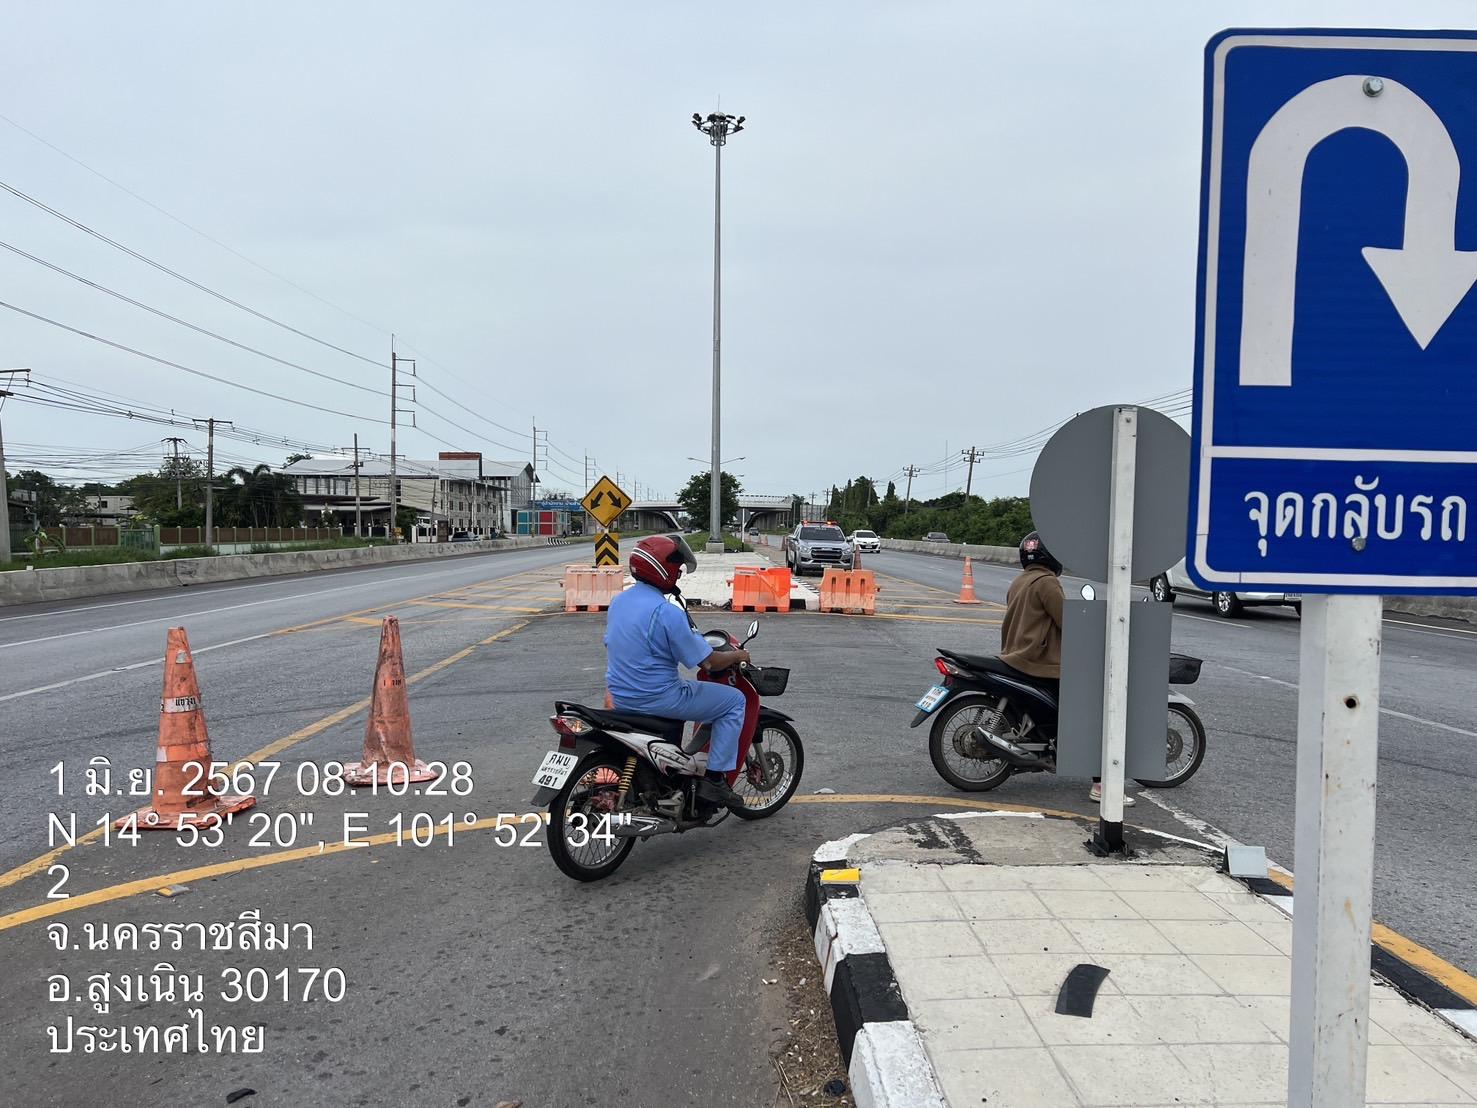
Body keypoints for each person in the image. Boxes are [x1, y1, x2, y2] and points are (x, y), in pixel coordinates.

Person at [604, 534, 750, 809]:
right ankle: (715, 781)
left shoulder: (619, 602)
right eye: (677, 568)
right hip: (658, 698)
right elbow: (708, 662)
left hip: (621, 697)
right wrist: (738, 655)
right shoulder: (666, 612)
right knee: (734, 701)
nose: (678, 575)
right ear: (663, 568)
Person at [998, 530, 1132, 806]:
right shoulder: (1047, 583)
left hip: (1015, 657)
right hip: (1038, 663)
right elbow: (1068, 622)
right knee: (1090, 717)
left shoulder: (1019, 581)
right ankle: (1101, 784)